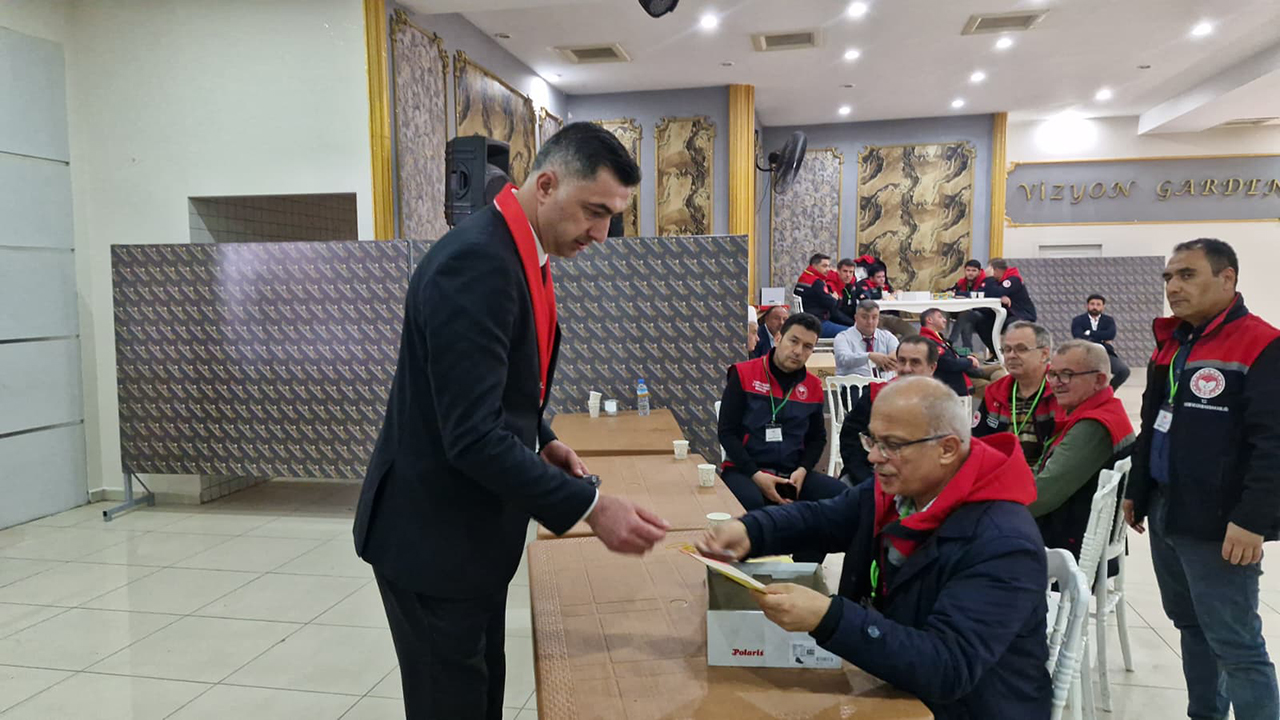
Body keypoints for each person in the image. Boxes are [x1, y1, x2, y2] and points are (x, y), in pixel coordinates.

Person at [354, 123, 671, 720]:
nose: (601, 234)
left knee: (481, 692)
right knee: (452, 702)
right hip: (433, 540)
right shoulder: (478, 262)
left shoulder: (519, 251)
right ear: (546, 185)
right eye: (595, 212)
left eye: (612, 217)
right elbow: (472, 436)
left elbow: (492, 389)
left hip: (471, 536)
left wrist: (540, 438)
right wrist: (590, 507)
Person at [698, 377, 1050, 719]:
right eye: (873, 441)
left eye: (892, 445)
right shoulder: (898, 491)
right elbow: (822, 519)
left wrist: (828, 617)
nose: (874, 457)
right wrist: (750, 531)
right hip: (890, 679)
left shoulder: (1003, 544)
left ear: (947, 449)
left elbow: (947, 667)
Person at [1123, 238, 1280, 720]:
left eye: (1187, 275)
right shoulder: (1173, 343)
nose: (1173, 286)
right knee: (1191, 626)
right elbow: (1152, 422)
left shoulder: (1261, 344)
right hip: (1167, 509)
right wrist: (1137, 490)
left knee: (1236, 642)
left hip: (1221, 522)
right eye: (1169, 277)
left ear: (1227, 278)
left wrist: (1252, 520)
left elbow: (1274, 444)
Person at [1027, 340, 1134, 559]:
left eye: (1066, 375)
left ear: (1099, 380)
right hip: (1074, 534)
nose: (1055, 383)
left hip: (1065, 547)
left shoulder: (1093, 426)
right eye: (1052, 374)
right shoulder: (1108, 410)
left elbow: (1042, 495)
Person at [838, 336, 942, 486]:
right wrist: (868, 480)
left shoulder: (942, 405)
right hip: (871, 476)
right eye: (902, 361)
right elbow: (850, 441)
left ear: (932, 368)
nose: (906, 368)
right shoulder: (875, 396)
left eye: (915, 362)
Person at [974, 321, 1059, 466]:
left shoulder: (1062, 391)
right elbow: (978, 443)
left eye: (1021, 349)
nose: (1011, 355)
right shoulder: (994, 392)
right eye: (1007, 349)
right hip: (1001, 473)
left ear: (1044, 354)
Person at [974, 258, 1037, 360]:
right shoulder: (995, 281)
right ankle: (996, 353)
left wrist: (990, 279)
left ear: (996, 270)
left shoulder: (1013, 279)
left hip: (1019, 314)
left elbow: (996, 293)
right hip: (1003, 313)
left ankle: (1013, 355)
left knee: (1010, 325)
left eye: (989, 269)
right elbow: (985, 293)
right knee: (981, 322)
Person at [1071, 294, 1131, 389]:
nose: (1095, 307)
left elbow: (1110, 335)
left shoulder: (1108, 320)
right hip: (1085, 353)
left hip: (1105, 353)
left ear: (1103, 307)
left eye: (1098, 304)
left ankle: (1107, 391)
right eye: (1092, 304)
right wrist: (1101, 340)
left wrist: (1089, 333)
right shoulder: (1078, 320)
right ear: (1087, 305)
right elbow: (1079, 337)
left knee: (1124, 371)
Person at [919, 307, 979, 397]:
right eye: (940, 317)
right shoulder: (928, 341)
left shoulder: (937, 338)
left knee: (997, 370)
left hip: (960, 373)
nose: (945, 320)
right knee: (993, 383)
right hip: (953, 382)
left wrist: (968, 357)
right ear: (929, 320)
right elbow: (949, 363)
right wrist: (969, 361)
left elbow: (952, 355)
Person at [834, 300, 899, 378]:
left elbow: (897, 351)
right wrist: (869, 356)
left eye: (874, 317)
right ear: (856, 318)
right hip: (853, 383)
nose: (870, 321)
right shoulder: (843, 337)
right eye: (864, 317)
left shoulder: (887, 337)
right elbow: (844, 359)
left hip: (884, 383)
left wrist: (894, 357)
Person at [795, 253, 854, 338]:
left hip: (806, 320)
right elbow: (831, 304)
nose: (828, 269)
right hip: (818, 323)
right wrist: (834, 298)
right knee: (852, 333)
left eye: (829, 266)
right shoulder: (817, 282)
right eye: (824, 266)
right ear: (814, 266)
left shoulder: (804, 277)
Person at [853, 264, 915, 338]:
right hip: (875, 317)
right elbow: (865, 298)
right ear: (871, 278)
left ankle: (900, 345)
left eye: (883, 276)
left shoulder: (886, 286)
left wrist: (894, 294)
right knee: (884, 337)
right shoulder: (863, 285)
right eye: (878, 277)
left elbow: (891, 297)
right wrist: (878, 290)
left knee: (912, 331)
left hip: (890, 316)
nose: (882, 279)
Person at [947, 259, 987, 352]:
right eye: (968, 270)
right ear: (964, 271)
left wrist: (958, 294)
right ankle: (968, 350)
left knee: (965, 314)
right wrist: (949, 292)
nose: (970, 273)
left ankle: (951, 340)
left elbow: (977, 293)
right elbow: (952, 290)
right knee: (966, 321)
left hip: (983, 314)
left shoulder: (985, 281)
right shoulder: (962, 282)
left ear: (979, 272)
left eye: (974, 271)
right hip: (968, 315)